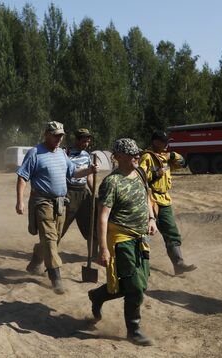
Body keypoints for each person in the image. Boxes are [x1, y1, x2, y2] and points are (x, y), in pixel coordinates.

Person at [87, 138, 158, 346]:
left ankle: (98, 296)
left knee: (136, 284)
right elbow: (103, 217)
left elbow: (147, 196)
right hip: (121, 239)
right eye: (131, 153)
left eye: (137, 152)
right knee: (134, 286)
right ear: (118, 157)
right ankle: (133, 330)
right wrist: (103, 248)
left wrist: (151, 219)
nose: (137, 156)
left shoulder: (141, 173)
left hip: (141, 237)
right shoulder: (111, 182)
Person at [16, 121, 98, 294]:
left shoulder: (62, 153)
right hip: (42, 201)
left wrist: (89, 171)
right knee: (51, 239)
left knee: (54, 236)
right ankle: (56, 278)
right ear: (46, 134)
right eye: (55, 135)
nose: (59, 138)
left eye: (61, 135)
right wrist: (20, 201)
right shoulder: (35, 153)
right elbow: (23, 177)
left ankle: (35, 261)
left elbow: (73, 173)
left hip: (61, 202)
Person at [139, 130, 196, 275]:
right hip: (150, 200)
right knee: (142, 234)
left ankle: (178, 263)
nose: (166, 145)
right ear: (155, 142)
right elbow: (140, 177)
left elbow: (182, 163)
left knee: (172, 233)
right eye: (163, 142)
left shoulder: (166, 157)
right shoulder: (147, 157)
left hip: (164, 200)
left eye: (167, 142)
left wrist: (171, 155)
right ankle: (139, 265)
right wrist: (156, 173)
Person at [61, 128, 98, 258]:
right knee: (59, 229)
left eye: (88, 141)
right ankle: (42, 257)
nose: (86, 144)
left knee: (92, 227)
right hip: (68, 193)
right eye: (83, 141)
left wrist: (94, 193)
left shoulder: (87, 156)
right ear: (76, 140)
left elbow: (89, 177)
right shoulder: (65, 153)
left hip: (83, 193)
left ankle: (94, 257)